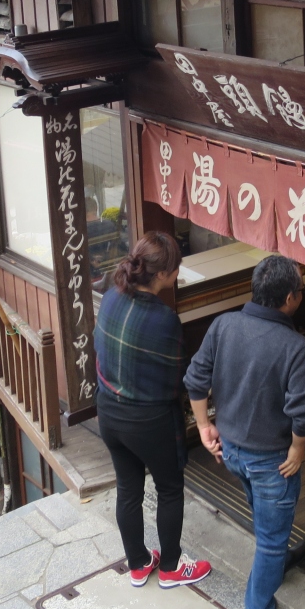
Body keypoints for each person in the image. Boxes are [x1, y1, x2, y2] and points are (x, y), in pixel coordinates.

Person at [184, 254, 305, 609]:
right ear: (290, 298)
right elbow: (304, 411)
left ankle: (274, 560)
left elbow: (195, 379)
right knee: (272, 539)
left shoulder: (224, 325)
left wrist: (205, 426)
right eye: (302, 290)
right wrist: (297, 450)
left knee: (264, 517)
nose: (302, 295)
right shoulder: (295, 347)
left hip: (231, 452)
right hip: (272, 460)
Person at [95, 232, 212, 589]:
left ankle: (139, 563)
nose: (177, 273)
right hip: (149, 421)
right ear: (162, 274)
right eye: (176, 268)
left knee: (128, 489)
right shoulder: (164, 319)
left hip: (109, 411)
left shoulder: (111, 297)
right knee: (169, 489)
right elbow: (176, 377)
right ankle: (172, 567)